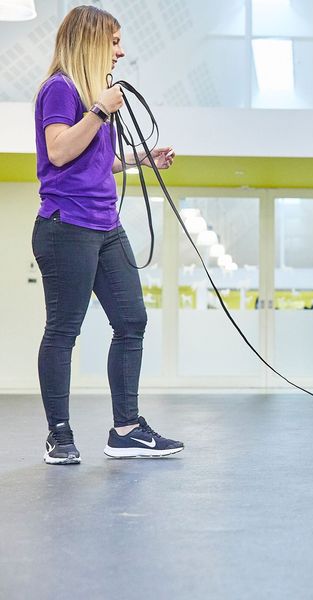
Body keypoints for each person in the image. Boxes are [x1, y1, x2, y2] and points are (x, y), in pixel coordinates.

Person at [33, 5, 183, 464]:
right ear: (91, 41)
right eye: (114, 41)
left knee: (132, 320)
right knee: (64, 330)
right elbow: (59, 151)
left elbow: (98, 160)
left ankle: (127, 429)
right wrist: (98, 110)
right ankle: (59, 435)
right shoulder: (60, 89)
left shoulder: (95, 94)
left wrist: (141, 158)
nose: (121, 51)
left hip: (106, 227)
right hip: (66, 227)